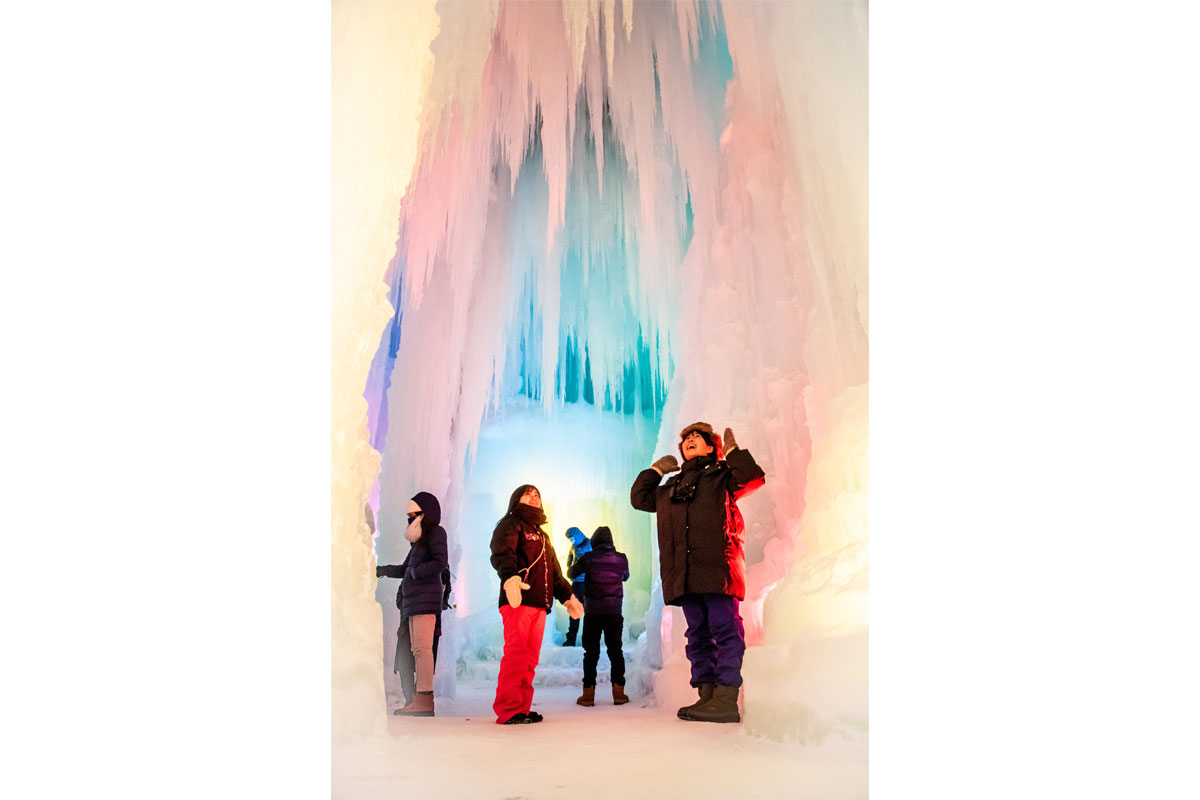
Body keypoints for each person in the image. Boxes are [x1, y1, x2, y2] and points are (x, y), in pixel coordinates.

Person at [630, 422, 765, 723]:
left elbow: (753, 478)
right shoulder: (670, 488)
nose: (690, 440)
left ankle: (726, 697)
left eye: (698, 437)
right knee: (698, 635)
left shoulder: (722, 477)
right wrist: (654, 471)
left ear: (710, 446)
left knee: (725, 629)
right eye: (686, 439)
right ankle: (706, 696)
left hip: (718, 569)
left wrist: (732, 453)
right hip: (686, 575)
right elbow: (639, 498)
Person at [489, 484, 584, 724]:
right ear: (516, 499)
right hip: (517, 600)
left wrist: (567, 596)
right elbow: (502, 553)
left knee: (529, 659)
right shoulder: (510, 524)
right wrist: (510, 578)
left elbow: (554, 572)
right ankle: (508, 709)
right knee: (516, 655)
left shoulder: (543, 536)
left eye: (537, 495)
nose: (533, 497)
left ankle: (521, 707)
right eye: (527, 494)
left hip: (539, 605)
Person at [374, 491, 449, 717]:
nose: (410, 519)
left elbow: (440, 562)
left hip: (425, 600)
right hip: (415, 601)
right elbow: (406, 569)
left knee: (423, 650)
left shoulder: (436, 532)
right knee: (418, 650)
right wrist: (383, 571)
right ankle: (419, 699)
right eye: (408, 515)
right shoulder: (419, 542)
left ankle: (425, 699)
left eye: (414, 514)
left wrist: (415, 574)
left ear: (425, 513)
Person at [567, 525, 630, 707]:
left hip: (593, 612)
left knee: (591, 653)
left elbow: (571, 573)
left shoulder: (588, 558)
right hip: (614, 611)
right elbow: (625, 577)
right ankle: (619, 693)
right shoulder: (621, 559)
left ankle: (588, 695)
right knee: (615, 651)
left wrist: (575, 559)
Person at [561, 527, 591, 646]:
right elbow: (570, 559)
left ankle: (588, 639)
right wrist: (570, 568)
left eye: (572, 538)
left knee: (589, 612)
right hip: (576, 583)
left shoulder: (589, 544)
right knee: (574, 610)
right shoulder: (574, 547)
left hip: (587, 583)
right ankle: (571, 638)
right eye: (569, 539)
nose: (571, 541)